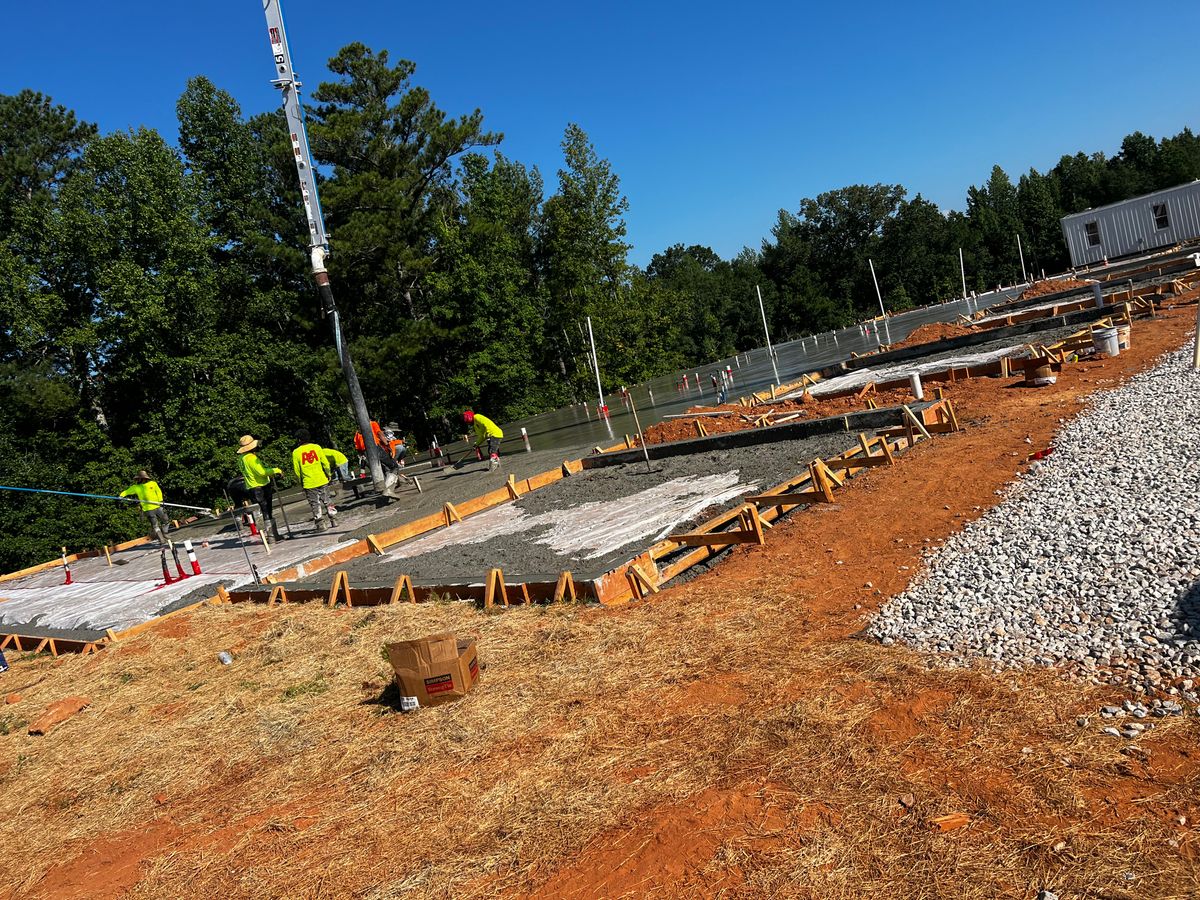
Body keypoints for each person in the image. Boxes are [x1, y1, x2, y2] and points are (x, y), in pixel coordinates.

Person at [235, 434, 284, 541]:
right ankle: (272, 535)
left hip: (251, 488)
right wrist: (276, 470)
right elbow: (262, 472)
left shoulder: (241, 459)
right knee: (267, 512)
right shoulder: (251, 458)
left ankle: (270, 535)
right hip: (261, 487)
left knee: (262, 512)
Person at [292, 428, 338, 532]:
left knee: (315, 503)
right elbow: (325, 463)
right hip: (322, 479)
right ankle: (334, 520)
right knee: (327, 500)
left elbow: (297, 471)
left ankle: (321, 525)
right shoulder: (317, 447)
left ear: (299, 440)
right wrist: (328, 474)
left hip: (309, 483)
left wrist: (301, 481)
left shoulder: (296, 452)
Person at [119, 470, 170, 543]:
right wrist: (121, 496)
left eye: (140, 478)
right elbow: (126, 492)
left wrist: (161, 500)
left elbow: (158, 492)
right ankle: (161, 538)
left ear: (144, 478)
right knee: (155, 524)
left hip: (157, 506)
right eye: (138, 478)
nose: (139, 480)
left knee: (166, 520)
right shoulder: (136, 487)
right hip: (148, 509)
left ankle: (165, 533)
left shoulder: (153, 484)